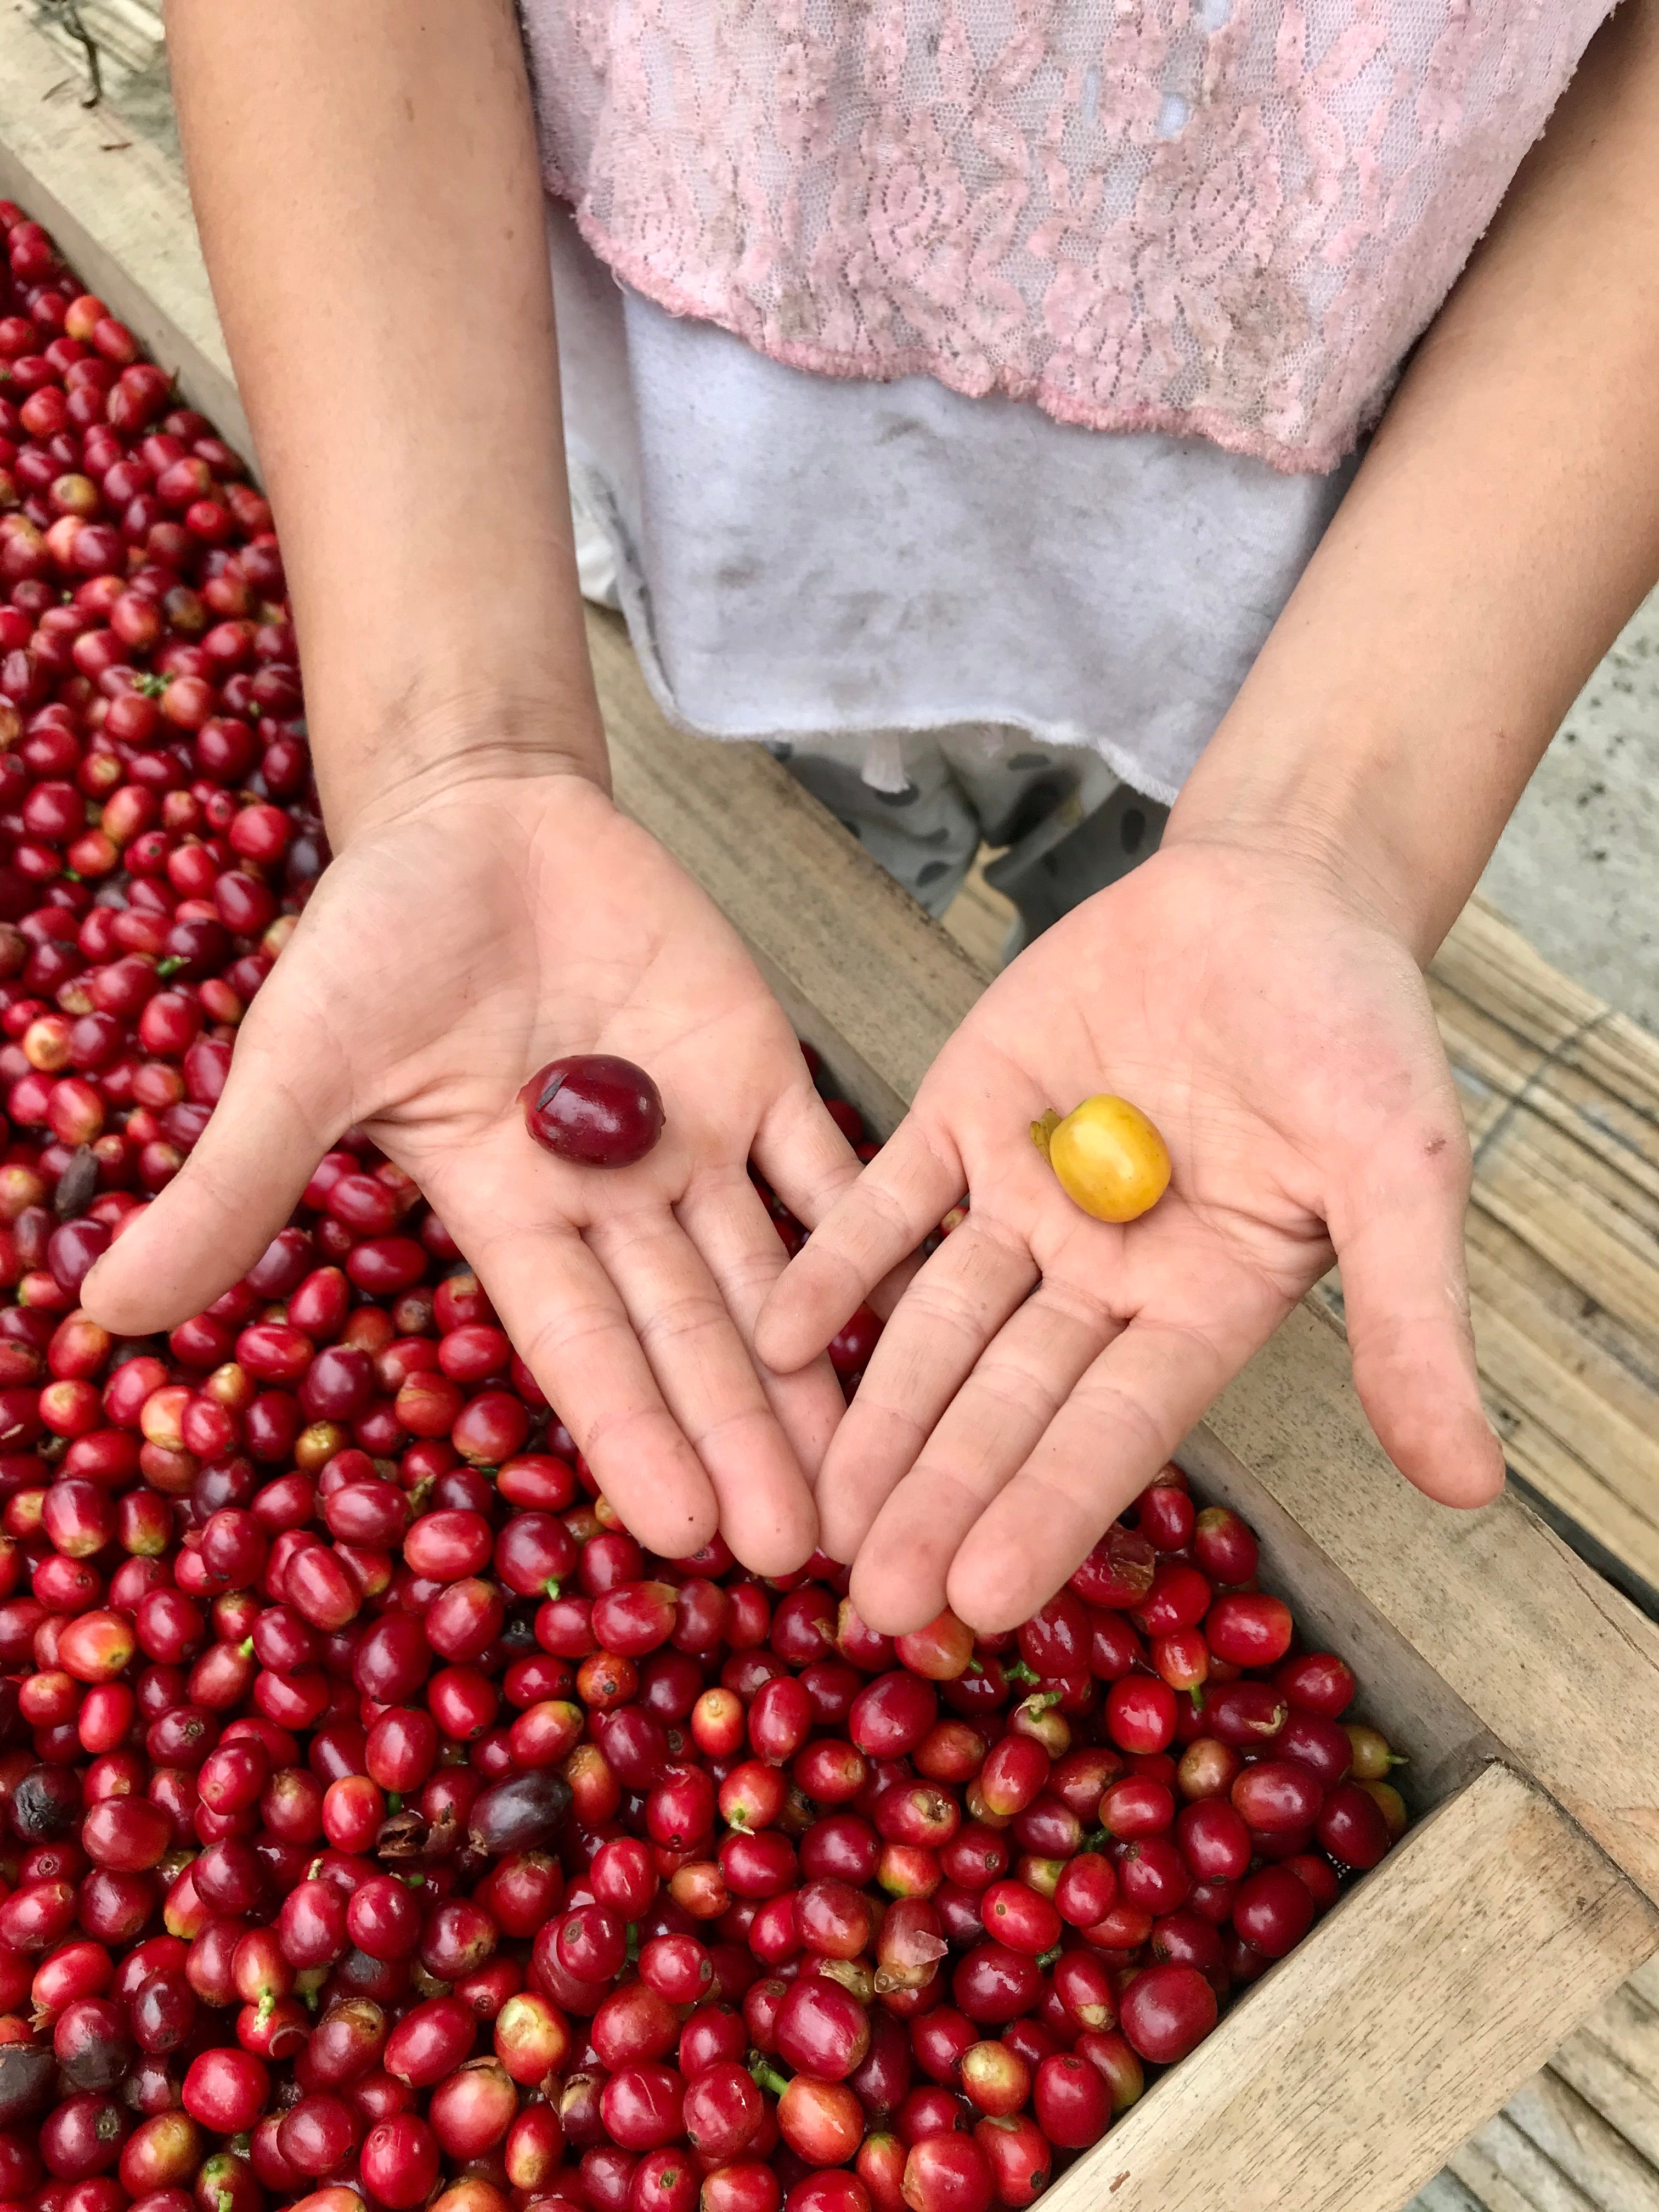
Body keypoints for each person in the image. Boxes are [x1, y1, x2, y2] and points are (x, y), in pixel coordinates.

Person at [83, 2, 1659, 1637]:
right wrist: (455, 741)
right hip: (687, 440)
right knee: (842, 849)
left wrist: (1323, 833)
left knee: (1137, 887)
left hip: (1341, 560)